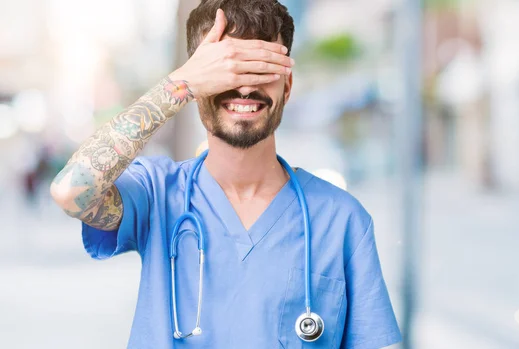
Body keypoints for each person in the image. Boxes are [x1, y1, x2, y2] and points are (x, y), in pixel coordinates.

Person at [50, 1, 402, 348]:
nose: (245, 88)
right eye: (226, 71)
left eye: (261, 70)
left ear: (288, 86)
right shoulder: (157, 194)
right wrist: (179, 84)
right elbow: (71, 190)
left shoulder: (341, 220)